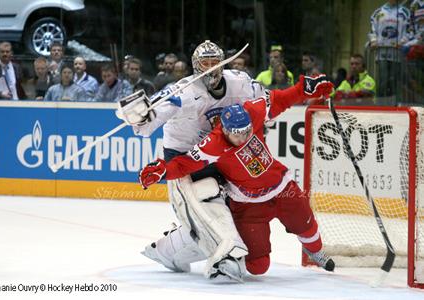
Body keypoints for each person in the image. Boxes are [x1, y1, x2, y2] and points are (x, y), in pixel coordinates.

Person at [138, 75, 335, 278]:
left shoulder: (253, 111)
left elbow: (280, 99)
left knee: (307, 226)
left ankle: (315, 251)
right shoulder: (213, 145)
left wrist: (304, 88)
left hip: (282, 188)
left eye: (246, 131)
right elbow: (184, 164)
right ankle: (192, 244)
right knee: (258, 267)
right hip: (248, 204)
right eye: (237, 134)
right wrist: (162, 170)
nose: (243, 137)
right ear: (224, 129)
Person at [117, 40, 268, 281]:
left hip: (221, 154)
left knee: (237, 208)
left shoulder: (239, 81)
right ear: (195, 67)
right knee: (209, 200)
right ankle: (225, 254)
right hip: (185, 158)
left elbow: (265, 98)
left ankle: (169, 250)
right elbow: (146, 126)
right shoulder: (182, 92)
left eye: (214, 63)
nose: (210, 68)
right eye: (204, 63)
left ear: (223, 63)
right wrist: (139, 117)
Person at [368, 0, 412, 97]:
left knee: (396, 81)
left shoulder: (404, 12)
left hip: (397, 54)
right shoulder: (378, 12)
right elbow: (372, 31)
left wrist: (402, 42)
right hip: (381, 54)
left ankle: (395, 107)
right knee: (382, 80)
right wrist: (374, 41)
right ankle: (381, 105)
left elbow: (409, 30)